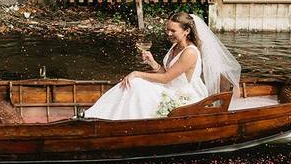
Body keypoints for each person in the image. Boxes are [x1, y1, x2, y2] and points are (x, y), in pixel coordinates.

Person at [84, 12, 241, 120]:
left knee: (137, 82)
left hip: (184, 96)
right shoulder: (175, 46)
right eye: (167, 30)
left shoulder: (190, 52)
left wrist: (137, 73)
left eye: (173, 30)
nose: (169, 33)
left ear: (186, 31)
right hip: (170, 87)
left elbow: (166, 78)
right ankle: (102, 115)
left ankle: (115, 120)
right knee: (134, 84)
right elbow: (167, 72)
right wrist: (153, 63)